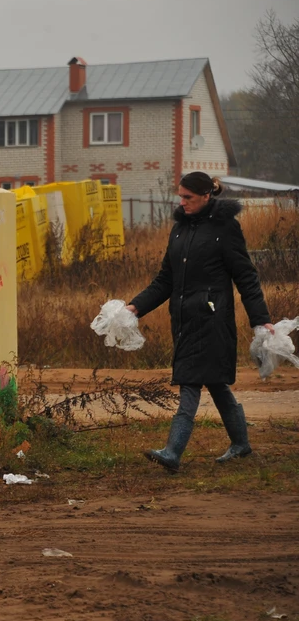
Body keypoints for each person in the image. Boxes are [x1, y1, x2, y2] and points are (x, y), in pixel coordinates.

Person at [126, 172, 275, 472]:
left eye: (188, 198)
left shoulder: (225, 229)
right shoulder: (179, 231)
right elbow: (166, 280)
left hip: (212, 320)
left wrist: (260, 320)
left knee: (190, 382)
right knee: (216, 383)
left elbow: (246, 276)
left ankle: (172, 452)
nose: (181, 203)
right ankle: (241, 444)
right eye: (180, 197)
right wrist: (135, 307)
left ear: (207, 195)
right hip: (183, 320)